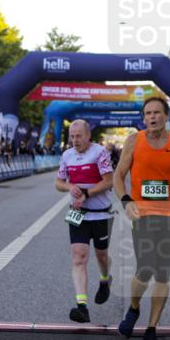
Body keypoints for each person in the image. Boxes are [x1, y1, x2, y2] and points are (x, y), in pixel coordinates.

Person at [113, 97, 170, 340]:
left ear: (166, 116)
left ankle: (151, 330)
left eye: (157, 112)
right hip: (143, 215)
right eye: (148, 113)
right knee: (145, 268)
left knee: (163, 273)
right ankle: (134, 307)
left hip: (169, 216)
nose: (152, 117)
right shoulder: (134, 141)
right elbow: (118, 175)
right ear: (144, 117)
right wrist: (126, 201)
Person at [54, 119, 115, 323]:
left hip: (101, 214)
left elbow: (108, 181)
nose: (75, 140)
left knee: (101, 255)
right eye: (72, 136)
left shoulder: (100, 153)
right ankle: (82, 306)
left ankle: (105, 280)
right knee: (78, 256)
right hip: (78, 214)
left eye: (79, 136)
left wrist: (86, 193)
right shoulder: (67, 155)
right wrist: (69, 187)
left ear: (88, 135)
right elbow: (58, 182)